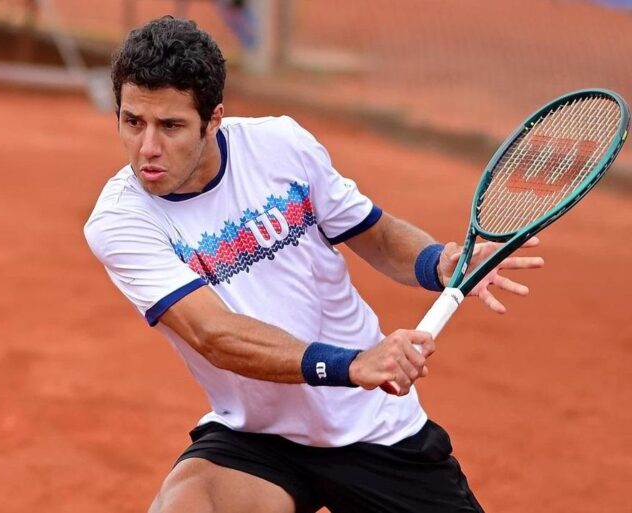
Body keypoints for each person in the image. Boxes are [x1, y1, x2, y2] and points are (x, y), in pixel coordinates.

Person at [84, 16, 543, 513]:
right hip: (260, 437)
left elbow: (380, 238)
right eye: (133, 122)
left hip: (373, 426)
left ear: (213, 119)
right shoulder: (120, 220)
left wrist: (440, 262)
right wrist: (353, 364)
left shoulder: (280, 146)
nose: (147, 148)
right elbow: (214, 335)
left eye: (170, 126)